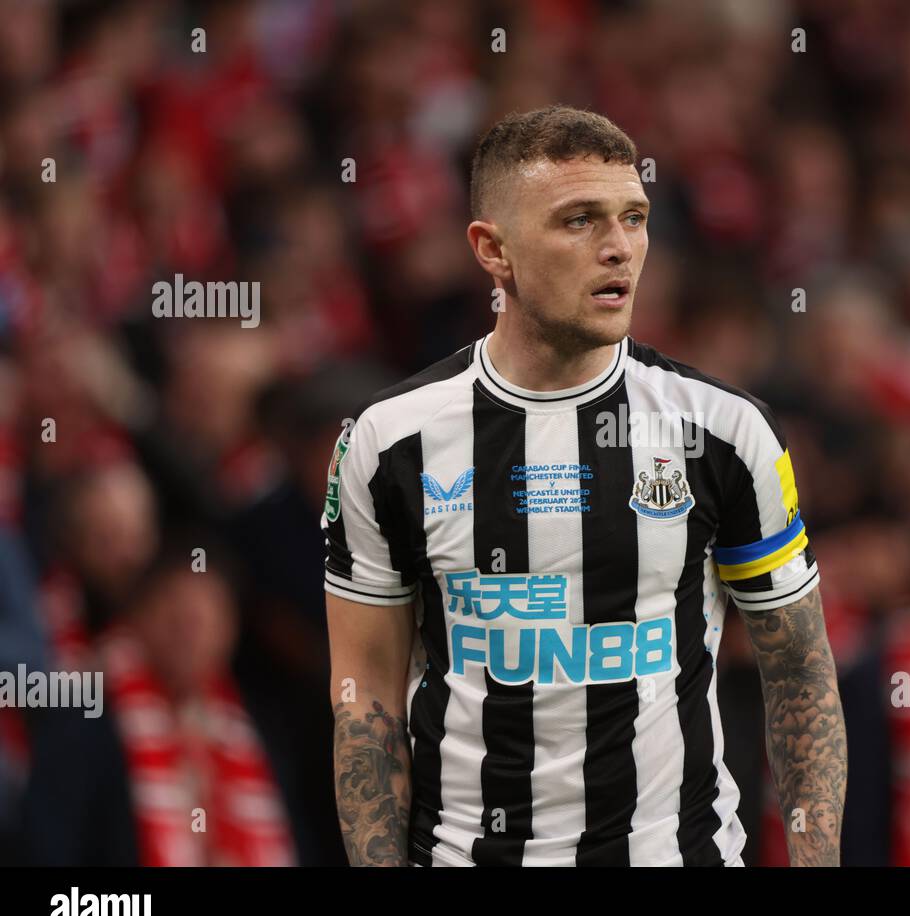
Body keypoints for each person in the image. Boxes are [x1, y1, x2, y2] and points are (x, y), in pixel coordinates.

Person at [322, 105, 845, 867]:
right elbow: (364, 696)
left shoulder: (726, 433)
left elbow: (798, 666)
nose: (618, 249)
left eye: (634, 218)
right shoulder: (388, 441)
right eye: (579, 221)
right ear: (492, 250)